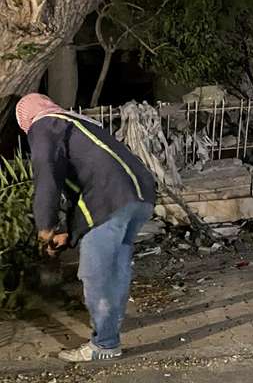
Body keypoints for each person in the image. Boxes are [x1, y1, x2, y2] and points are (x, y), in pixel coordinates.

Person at [23, 93, 157, 362]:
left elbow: (47, 175)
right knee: (116, 268)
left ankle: (105, 345)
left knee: (95, 274)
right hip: (140, 195)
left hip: (110, 198)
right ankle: (111, 327)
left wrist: (45, 225)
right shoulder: (80, 124)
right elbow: (85, 188)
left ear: (26, 118)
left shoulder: (44, 124)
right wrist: (69, 235)